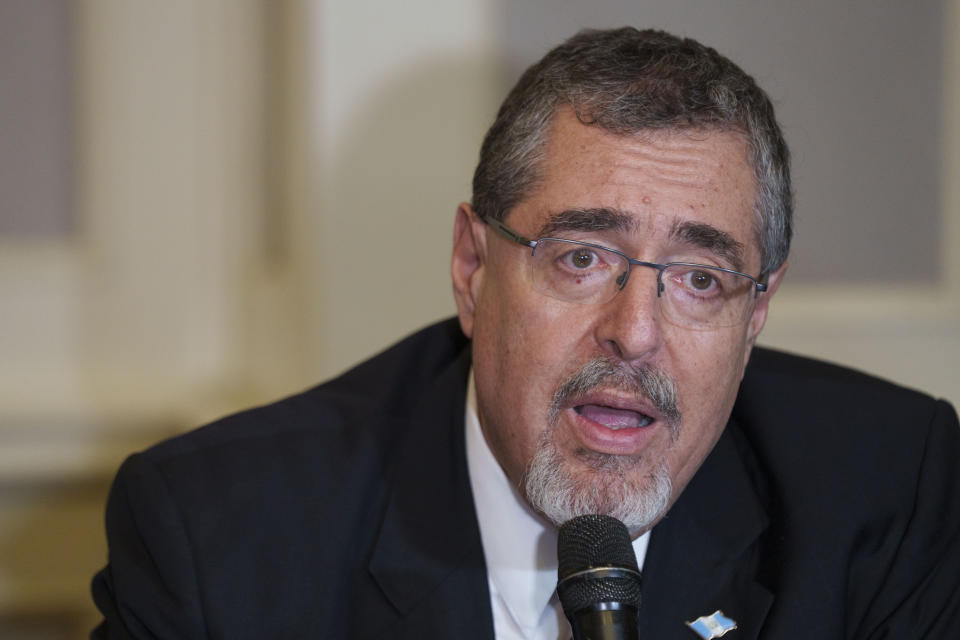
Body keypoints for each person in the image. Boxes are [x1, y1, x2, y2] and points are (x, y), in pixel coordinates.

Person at [91, 27, 960, 639]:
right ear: (473, 267)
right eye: (582, 257)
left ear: (756, 313)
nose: (634, 333)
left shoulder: (883, 494)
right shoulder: (222, 538)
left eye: (700, 279)